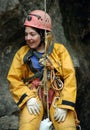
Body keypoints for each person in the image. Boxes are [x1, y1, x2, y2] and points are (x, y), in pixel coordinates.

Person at [7, 10, 78, 130]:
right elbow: (14, 79)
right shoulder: (22, 54)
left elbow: (69, 77)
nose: (28, 38)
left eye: (32, 34)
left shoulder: (59, 51)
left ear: (43, 34)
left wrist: (64, 105)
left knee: (67, 127)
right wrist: (28, 98)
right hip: (34, 96)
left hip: (57, 96)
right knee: (27, 127)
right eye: (26, 34)